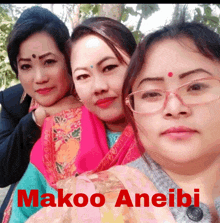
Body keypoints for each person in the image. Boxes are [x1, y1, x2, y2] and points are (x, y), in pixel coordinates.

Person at [26, 21, 220, 222]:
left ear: (136, 70)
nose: (98, 87)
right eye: (83, 76)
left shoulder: (173, 137)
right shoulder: (56, 137)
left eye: (109, 67)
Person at [3, 17, 140, 222]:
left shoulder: (164, 130)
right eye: (83, 75)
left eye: (110, 67)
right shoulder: (52, 130)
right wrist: (37, 118)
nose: (39, 77)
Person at [0, 5, 81, 221]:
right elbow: (2, 170)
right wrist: (39, 116)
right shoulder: (14, 102)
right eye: (26, 66)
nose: (39, 78)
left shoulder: (92, 96)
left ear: (68, 60)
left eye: (49, 62)